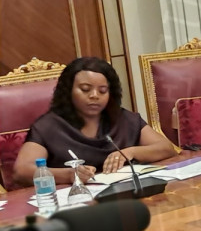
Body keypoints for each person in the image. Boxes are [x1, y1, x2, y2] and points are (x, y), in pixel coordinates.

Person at [13, 57, 175, 187]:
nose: (94, 95)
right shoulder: (48, 126)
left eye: (102, 91)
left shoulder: (124, 119)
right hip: (75, 202)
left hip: (125, 197)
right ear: (68, 91)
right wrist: (68, 175)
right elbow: (22, 171)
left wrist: (131, 152)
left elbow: (166, 148)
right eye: (85, 89)